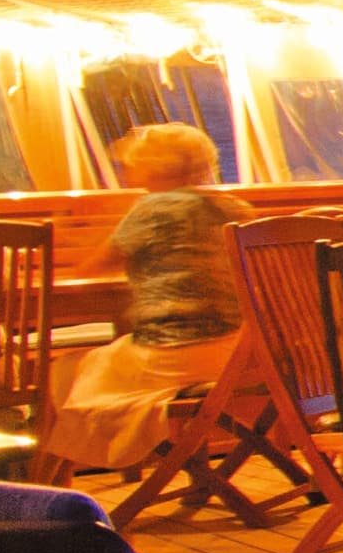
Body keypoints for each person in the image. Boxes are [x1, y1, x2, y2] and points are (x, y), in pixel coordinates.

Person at [43, 123, 244, 475]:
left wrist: (72, 236)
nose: (126, 171)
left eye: (130, 164)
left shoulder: (151, 209)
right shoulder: (229, 208)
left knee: (65, 371)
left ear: (154, 165)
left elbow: (97, 265)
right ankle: (194, 472)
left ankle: (56, 482)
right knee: (109, 358)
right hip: (237, 353)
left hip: (175, 356)